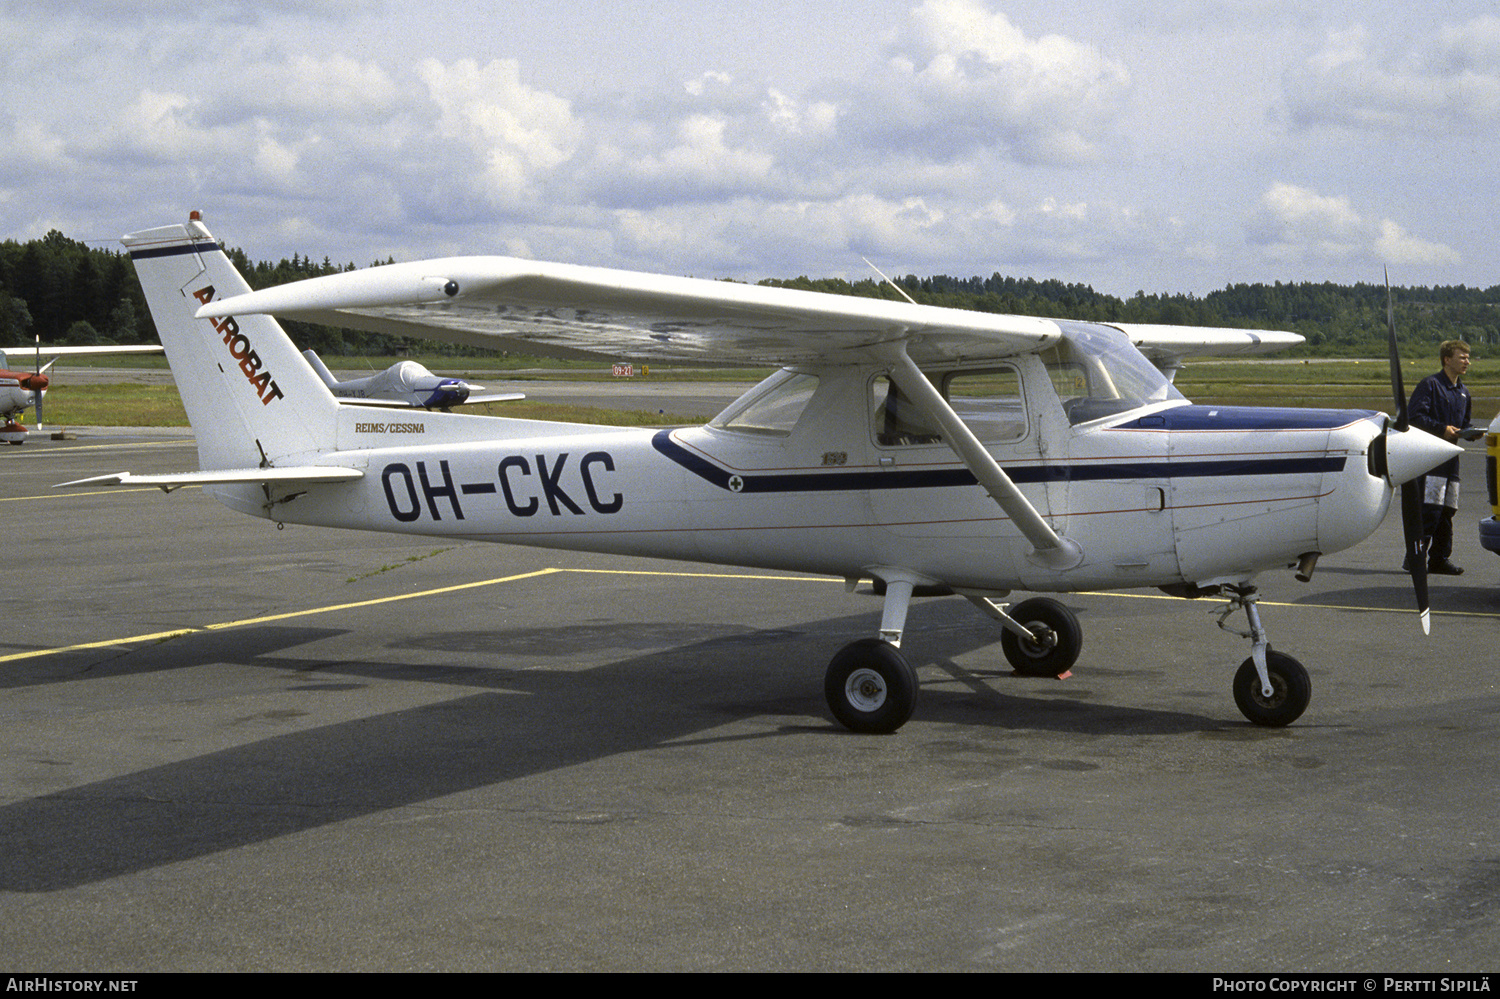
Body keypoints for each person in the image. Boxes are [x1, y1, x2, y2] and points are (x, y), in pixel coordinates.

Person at [1406, 339, 1475, 575]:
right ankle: (1414, 558)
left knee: (1447, 510)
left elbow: (1464, 423)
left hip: (1451, 460)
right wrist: (1441, 429)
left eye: (1468, 357)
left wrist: (1471, 433)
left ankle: (1439, 559)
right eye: (1462, 357)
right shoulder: (1430, 385)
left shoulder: (1463, 392)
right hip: (1431, 458)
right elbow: (1414, 417)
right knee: (1430, 509)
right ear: (1447, 359)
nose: (1467, 361)